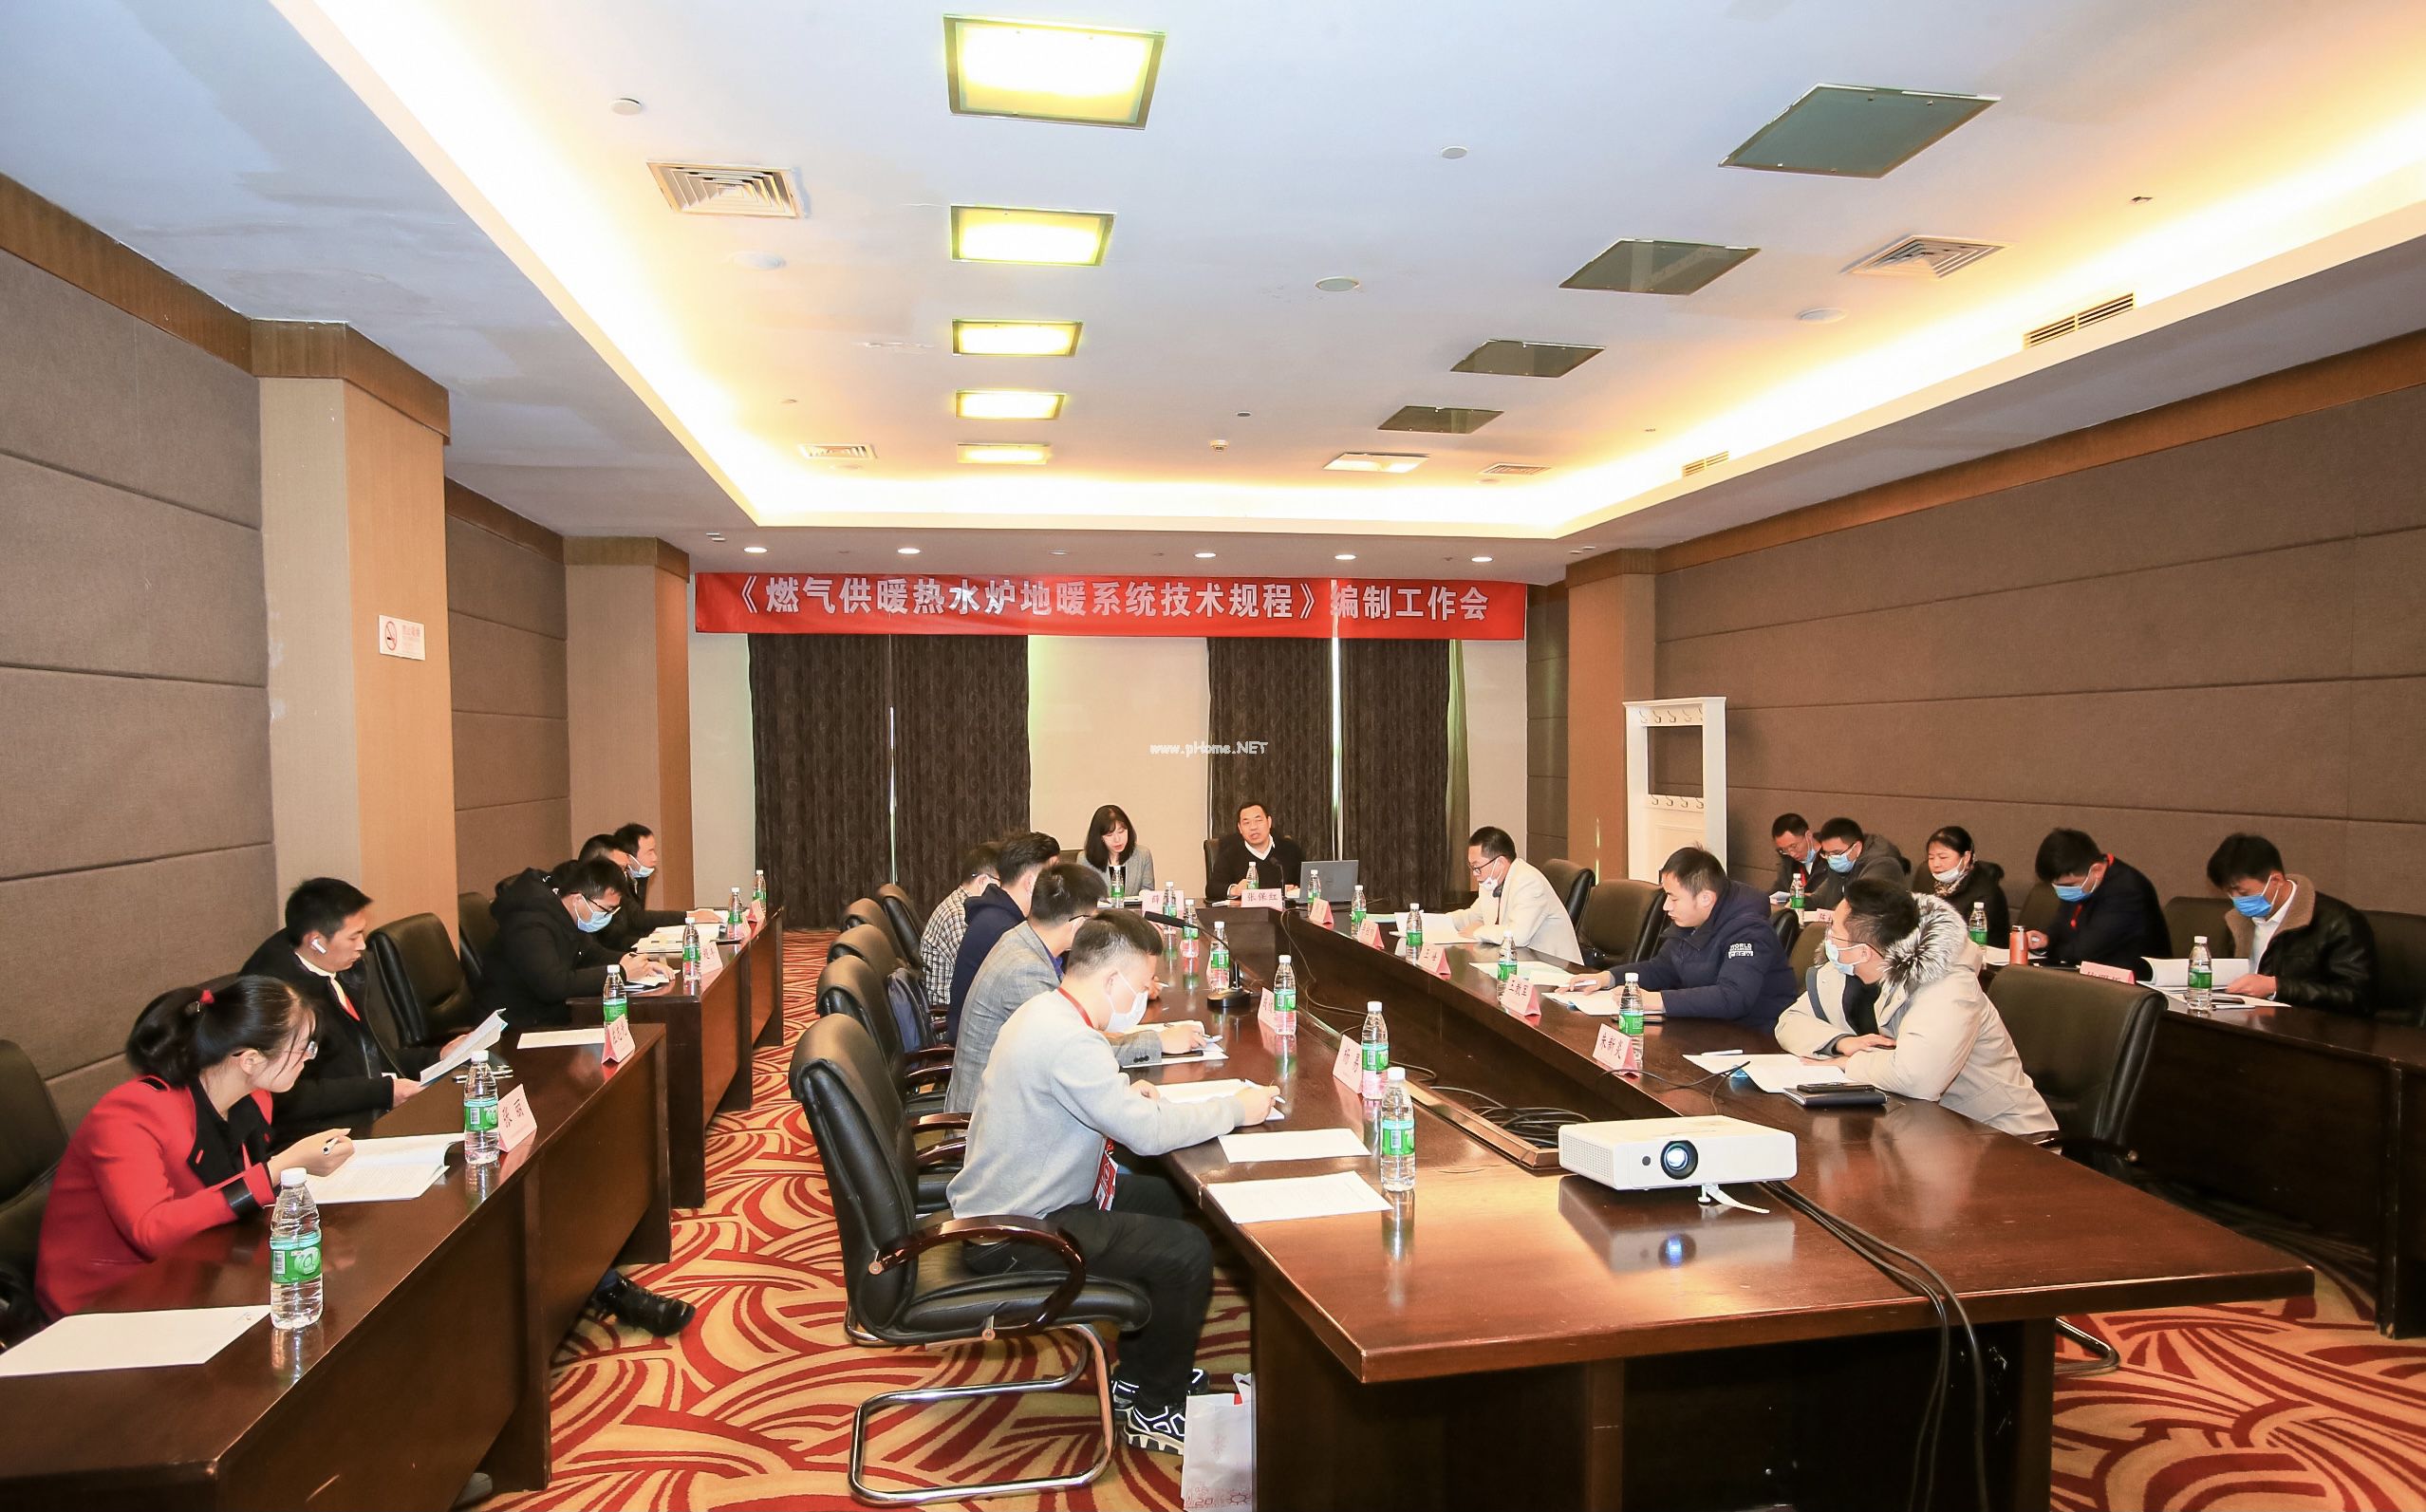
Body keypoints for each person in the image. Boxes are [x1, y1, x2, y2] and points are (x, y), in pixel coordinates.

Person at [949, 911, 1277, 1455]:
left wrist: (1123, 1094)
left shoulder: (1047, 1011)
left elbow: (1081, 1097)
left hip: (1022, 1199)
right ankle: (1156, 1409)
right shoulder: (1070, 1040)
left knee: (1162, 1198)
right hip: (1015, 1233)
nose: (1146, 995)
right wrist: (1236, 1109)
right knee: (1188, 1252)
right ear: (1111, 980)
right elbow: (1146, 1136)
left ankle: (1141, 1372)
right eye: (1144, 984)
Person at [35, 977, 351, 1317]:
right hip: (105, 1299)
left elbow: (231, 1207)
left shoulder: (256, 1098)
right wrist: (277, 1169)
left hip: (197, 1271)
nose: (308, 1058)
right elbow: (151, 1231)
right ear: (250, 1060)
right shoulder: (130, 1112)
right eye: (303, 1048)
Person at [1775, 882, 2057, 1139]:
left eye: (1834, 933)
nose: (1827, 940)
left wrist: (1849, 1062)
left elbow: (1918, 1079)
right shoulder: (1848, 967)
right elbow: (1789, 1021)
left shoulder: (1948, 983)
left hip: (2002, 1137)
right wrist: (1842, 1043)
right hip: (1921, 1129)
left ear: (1863, 951)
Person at [946, 865, 1204, 1115]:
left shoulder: (1023, 939)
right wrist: (1158, 1041)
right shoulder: (1026, 970)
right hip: (985, 1117)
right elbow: (1076, 1050)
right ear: (1079, 925)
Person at [240, 877, 442, 1144]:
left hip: (368, 1114)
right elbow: (286, 1097)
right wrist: (384, 1091)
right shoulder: (278, 998)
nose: (362, 945)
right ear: (316, 942)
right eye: (353, 936)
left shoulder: (344, 970)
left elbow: (371, 1057)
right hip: (318, 1137)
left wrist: (438, 1055)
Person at [1563, 847, 1796, 1029]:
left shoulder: (1750, 931)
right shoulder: (1692, 919)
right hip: (1704, 1029)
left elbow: (1733, 997)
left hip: (1754, 1039)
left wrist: (1657, 1000)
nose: (1666, 906)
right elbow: (1662, 968)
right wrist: (1607, 978)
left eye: (1673, 898)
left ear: (1705, 898)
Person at [478, 858, 661, 1030]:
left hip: (546, 1015)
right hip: (516, 1025)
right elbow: (553, 985)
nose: (608, 917)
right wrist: (620, 973)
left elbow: (591, 953)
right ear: (578, 899)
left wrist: (635, 962)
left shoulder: (565, 914)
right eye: (606, 910)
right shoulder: (530, 923)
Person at [2205, 833, 2377, 1014]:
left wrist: (2276, 987)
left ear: (2276, 881)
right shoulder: (2238, 921)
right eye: (2230, 894)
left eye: (2243, 893)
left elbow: (2357, 998)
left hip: (2306, 1025)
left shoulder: (2339, 922)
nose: (2237, 901)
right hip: (2243, 1020)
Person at [946, 831, 1061, 1039]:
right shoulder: (1002, 930)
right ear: (1031, 882)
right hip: (984, 1045)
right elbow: (1042, 1020)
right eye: (1053, 876)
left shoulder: (996, 914)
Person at [2027, 829, 2168, 978]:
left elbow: (2083, 953)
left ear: (2096, 870)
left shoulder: (2127, 890)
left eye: (2068, 885)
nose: (2063, 891)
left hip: (2136, 982)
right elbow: (2061, 926)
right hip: (2093, 976)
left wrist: (2053, 947)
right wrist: (2046, 941)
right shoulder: (2085, 884)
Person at [1447, 826, 1581, 960]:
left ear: (1500, 863)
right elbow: (1473, 916)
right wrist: (1437, 922)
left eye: (1477, 867)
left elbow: (1518, 936)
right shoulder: (1492, 881)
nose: (1475, 874)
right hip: (1523, 960)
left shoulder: (1528, 881)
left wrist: (1479, 931)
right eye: (1472, 867)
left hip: (1554, 965)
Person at [582, 827, 719, 951]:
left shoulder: (632, 879)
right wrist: (649, 942)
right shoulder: (590, 894)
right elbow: (633, 920)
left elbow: (632, 922)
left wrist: (651, 940)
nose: (655, 858)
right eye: (649, 852)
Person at [920, 841, 1000, 1013]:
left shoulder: (963, 905)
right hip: (948, 1014)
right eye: (1003, 882)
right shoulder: (959, 915)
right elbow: (983, 978)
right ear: (983, 881)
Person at [1916, 826, 2008, 943]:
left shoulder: (1986, 892)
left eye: (1943, 857)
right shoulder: (1925, 876)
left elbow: (1971, 940)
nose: (1936, 864)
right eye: (1931, 858)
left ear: (1966, 858)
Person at [1207, 798, 1304, 900]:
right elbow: (1212, 888)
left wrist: (1295, 890)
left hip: (1283, 910)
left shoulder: (1290, 849)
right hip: (1247, 910)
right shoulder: (1230, 854)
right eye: (1246, 823)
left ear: (1269, 822)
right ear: (1240, 828)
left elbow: (1307, 883)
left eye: (1258, 820)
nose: (1253, 827)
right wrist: (1235, 890)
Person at [1807, 817, 1910, 909]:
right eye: (1827, 854)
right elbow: (1819, 899)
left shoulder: (1882, 864)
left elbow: (1859, 903)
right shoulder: (1842, 864)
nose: (1831, 858)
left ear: (1857, 848)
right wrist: (1802, 901)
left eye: (1836, 853)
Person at [1081, 804, 1158, 896]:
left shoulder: (1143, 855)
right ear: (1100, 837)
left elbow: (1148, 894)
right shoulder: (1085, 859)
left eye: (1121, 832)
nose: (1117, 839)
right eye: (1109, 835)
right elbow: (1084, 898)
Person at [1768, 813, 1822, 901]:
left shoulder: (1834, 860)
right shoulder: (1788, 862)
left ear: (1808, 836)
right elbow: (1777, 891)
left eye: (1794, 846)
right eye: (1784, 849)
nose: (1792, 854)